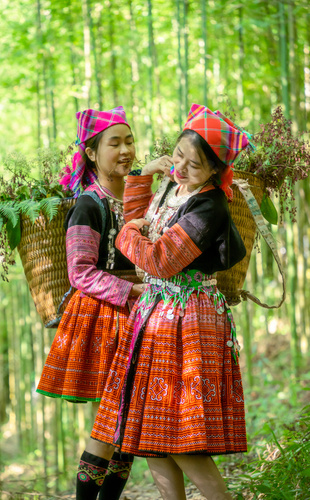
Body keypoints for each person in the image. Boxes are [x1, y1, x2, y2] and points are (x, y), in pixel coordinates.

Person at [90, 104, 250, 500]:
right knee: (153, 439)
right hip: (158, 318)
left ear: (214, 171)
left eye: (193, 165)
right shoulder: (171, 187)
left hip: (189, 321)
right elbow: (136, 217)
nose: (179, 168)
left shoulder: (209, 205)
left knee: (183, 440)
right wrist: (144, 177)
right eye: (177, 155)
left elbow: (159, 261)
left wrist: (127, 235)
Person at [36, 106, 146, 500]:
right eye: (114, 143)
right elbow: (80, 272)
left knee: (127, 424)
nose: (125, 150)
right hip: (104, 317)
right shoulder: (88, 205)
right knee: (113, 420)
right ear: (92, 153)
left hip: (139, 316)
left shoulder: (139, 198)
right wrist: (132, 291)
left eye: (129, 141)